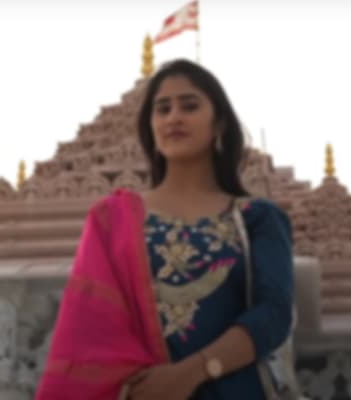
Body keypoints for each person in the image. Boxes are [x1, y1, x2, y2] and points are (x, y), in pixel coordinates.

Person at [36, 59, 294, 400]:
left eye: (189, 105)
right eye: (163, 109)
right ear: (151, 128)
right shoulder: (113, 219)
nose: (174, 117)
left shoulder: (255, 218)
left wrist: (192, 372)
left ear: (218, 123)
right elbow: (89, 337)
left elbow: (274, 315)